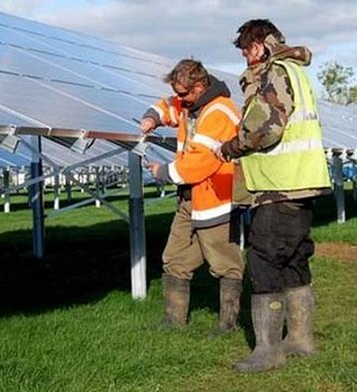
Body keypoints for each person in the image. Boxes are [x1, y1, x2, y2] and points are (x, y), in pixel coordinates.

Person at [216, 19, 332, 373]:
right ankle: (300, 339)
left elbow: (265, 129)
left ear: (262, 45)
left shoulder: (274, 73)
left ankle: (268, 350)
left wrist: (231, 147)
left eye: (248, 51)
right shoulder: (293, 71)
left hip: (279, 187)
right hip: (300, 183)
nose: (246, 59)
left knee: (264, 259)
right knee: (294, 258)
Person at [140, 58, 245, 334]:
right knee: (174, 258)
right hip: (190, 199)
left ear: (200, 86)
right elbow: (168, 106)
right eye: (177, 93)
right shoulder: (190, 105)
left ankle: (228, 324)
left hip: (216, 201)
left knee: (224, 263)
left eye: (184, 93)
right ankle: (173, 321)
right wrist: (152, 117)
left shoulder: (219, 112)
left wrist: (162, 171)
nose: (179, 99)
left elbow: (200, 163)